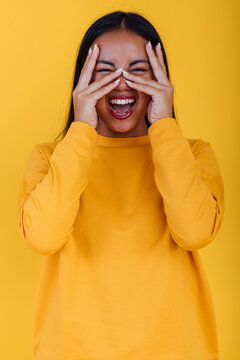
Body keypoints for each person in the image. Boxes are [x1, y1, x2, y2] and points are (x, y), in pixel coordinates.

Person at [17, 10, 225, 360]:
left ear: (162, 79)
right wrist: (81, 132)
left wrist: (165, 126)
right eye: (105, 71)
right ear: (82, 81)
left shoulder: (193, 154)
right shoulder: (50, 159)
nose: (122, 83)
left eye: (139, 70)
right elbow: (42, 236)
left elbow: (195, 232)